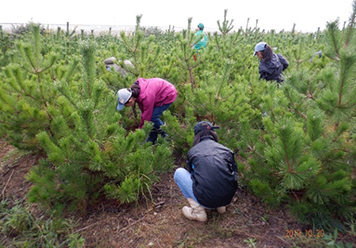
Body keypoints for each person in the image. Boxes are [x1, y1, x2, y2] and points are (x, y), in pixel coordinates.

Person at [174, 121, 238, 222]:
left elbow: (193, 175)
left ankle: (198, 212)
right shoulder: (226, 150)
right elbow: (234, 174)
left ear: (197, 136)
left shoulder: (193, 152)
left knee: (179, 173)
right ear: (213, 133)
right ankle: (221, 207)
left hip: (206, 199)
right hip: (227, 198)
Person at [116, 78, 177, 144]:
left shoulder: (146, 97)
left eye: (125, 105)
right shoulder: (135, 90)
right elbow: (144, 112)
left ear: (130, 101)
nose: (126, 106)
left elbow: (147, 117)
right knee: (150, 119)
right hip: (158, 94)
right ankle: (151, 140)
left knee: (152, 117)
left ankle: (167, 135)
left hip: (168, 93)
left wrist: (139, 132)